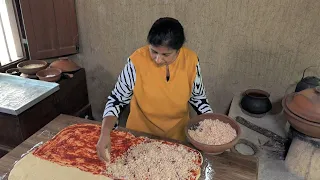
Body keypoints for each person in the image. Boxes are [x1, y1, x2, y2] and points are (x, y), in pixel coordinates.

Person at [97, 17, 213, 161]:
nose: (158, 59)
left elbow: (199, 99)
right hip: (139, 138)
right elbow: (116, 100)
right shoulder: (136, 62)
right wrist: (105, 132)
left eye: (166, 54)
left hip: (177, 139)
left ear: (178, 50)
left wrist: (211, 127)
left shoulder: (191, 61)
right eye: (153, 51)